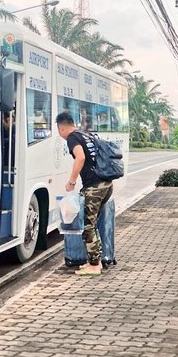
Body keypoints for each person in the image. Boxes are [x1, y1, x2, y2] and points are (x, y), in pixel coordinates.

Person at [56, 111, 113, 277]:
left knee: (88, 226)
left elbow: (80, 158)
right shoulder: (85, 134)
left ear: (61, 128)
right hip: (106, 183)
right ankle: (96, 261)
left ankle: (95, 265)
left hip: (95, 187)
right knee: (92, 223)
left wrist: (71, 181)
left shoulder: (73, 138)